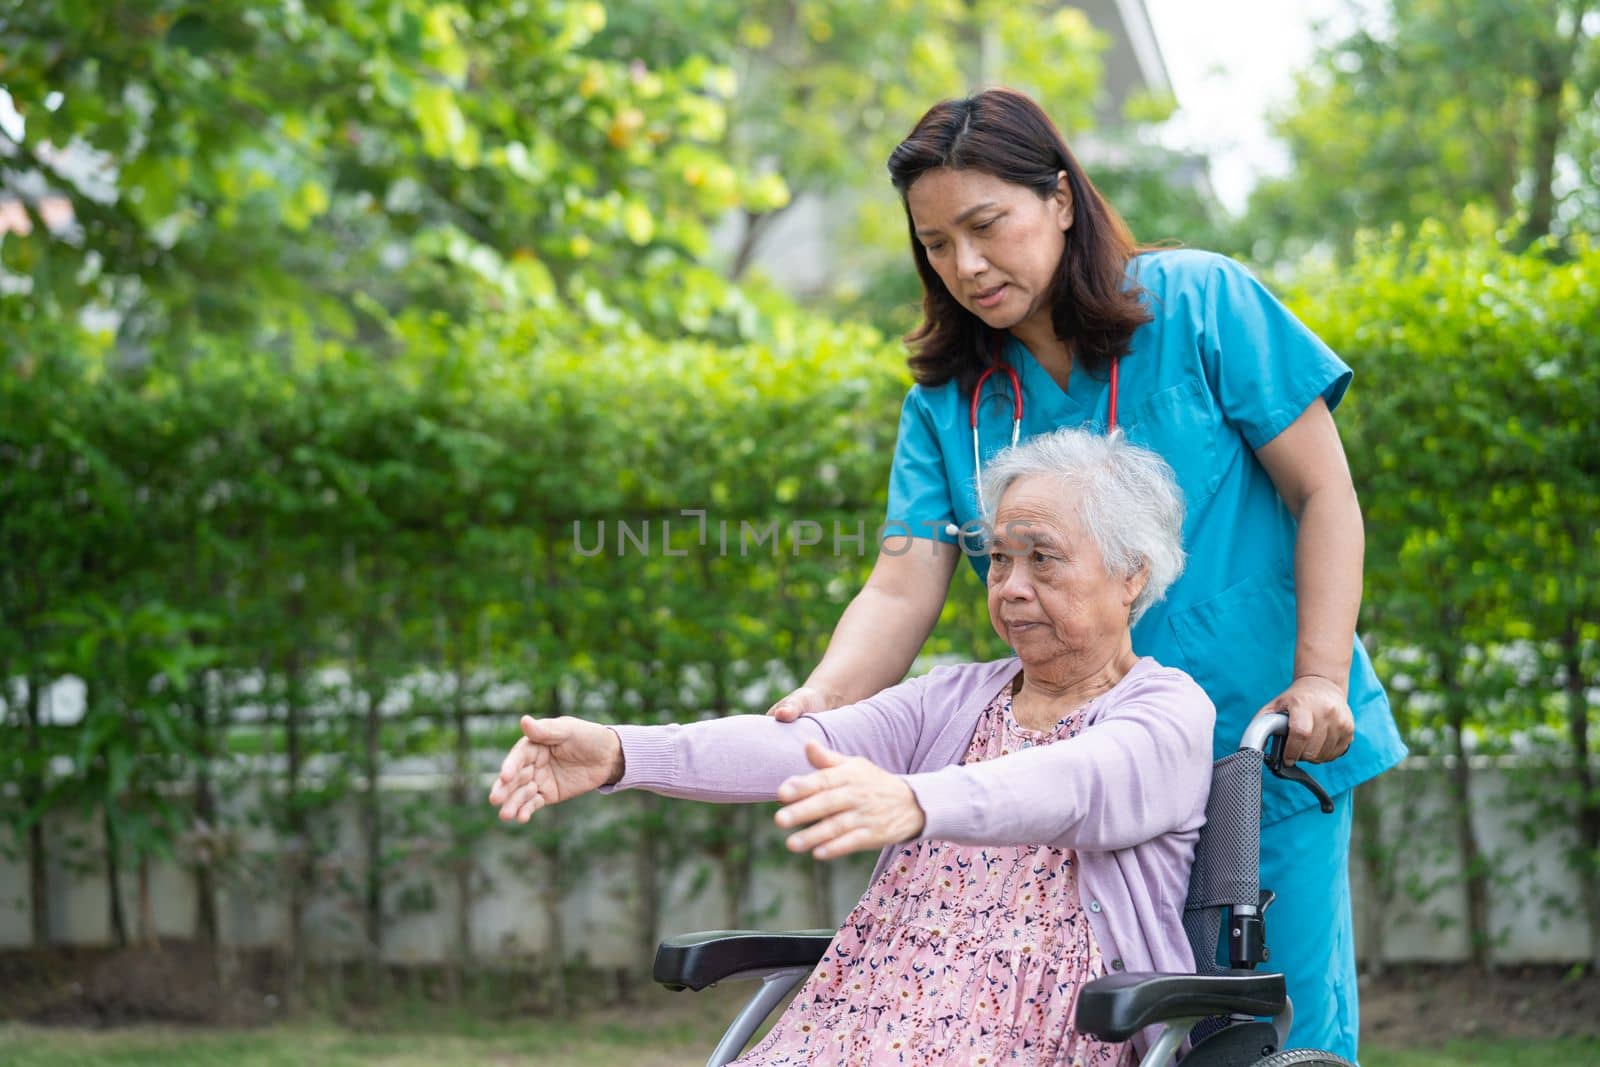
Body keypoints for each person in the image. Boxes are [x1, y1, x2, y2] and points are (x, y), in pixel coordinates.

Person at [764, 88, 1407, 1060]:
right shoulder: (949, 398)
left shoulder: (1200, 304)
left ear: (1060, 199)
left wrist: (1320, 673)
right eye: (935, 244)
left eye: (987, 225)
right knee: (1105, 1029)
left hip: (1262, 744)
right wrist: (821, 699)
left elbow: (1325, 495)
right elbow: (902, 579)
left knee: (1274, 1031)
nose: (966, 265)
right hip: (1087, 769)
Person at [492, 429, 1211, 1065]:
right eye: (998, 561)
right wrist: (623, 751)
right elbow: (808, 743)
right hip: (865, 1009)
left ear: (1131, 572)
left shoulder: (1166, 714)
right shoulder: (957, 698)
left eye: (1043, 560)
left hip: (1030, 1031)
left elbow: (1071, 784)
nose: (1011, 588)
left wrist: (912, 797)